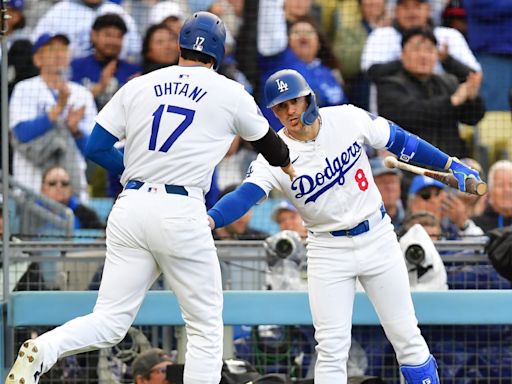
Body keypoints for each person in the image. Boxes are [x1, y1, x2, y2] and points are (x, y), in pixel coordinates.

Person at [5, 12, 294, 384]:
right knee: (206, 326)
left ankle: (42, 350)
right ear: (219, 51)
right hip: (180, 209)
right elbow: (272, 147)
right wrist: (288, 165)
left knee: (108, 321)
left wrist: (137, 172)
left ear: (181, 45)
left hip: (131, 207)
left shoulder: (140, 84)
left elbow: (95, 146)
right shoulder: (229, 90)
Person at [207, 69, 483, 384]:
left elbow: (401, 140)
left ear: (307, 96)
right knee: (332, 347)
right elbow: (245, 196)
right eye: (281, 107)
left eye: (293, 101)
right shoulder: (275, 154)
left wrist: (449, 164)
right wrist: (210, 219)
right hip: (328, 248)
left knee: (406, 335)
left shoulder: (346, 118)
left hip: (377, 235)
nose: (290, 111)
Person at [9, 32, 97, 201]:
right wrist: (58, 109)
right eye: (51, 49)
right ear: (37, 59)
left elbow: (92, 149)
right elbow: (21, 133)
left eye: (63, 49)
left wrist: (75, 131)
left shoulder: (82, 93)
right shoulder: (25, 88)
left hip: (72, 188)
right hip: (31, 185)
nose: (58, 54)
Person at [374, 27, 485, 159]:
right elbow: (411, 115)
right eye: (416, 49)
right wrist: (452, 101)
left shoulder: (448, 82)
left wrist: (472, 99)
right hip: (409, 168)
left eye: (429, 50)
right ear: (402, 55)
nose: (423, 55)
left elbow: (472, 119)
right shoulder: (389, 84)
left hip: (450, 165)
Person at [70, 13, 141, 110]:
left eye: (119, 36)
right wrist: (100, 86)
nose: (114, 41)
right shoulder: (76, 66)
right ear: (94, 35)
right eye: (108, 35)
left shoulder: (134, 71)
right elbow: (69, 102)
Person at [39, 166, 104, 230]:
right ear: (42, 188)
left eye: (64, 183)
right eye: (52, 183)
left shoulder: (85, 214)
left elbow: (102, 235)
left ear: (70, 189)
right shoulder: (32, 211)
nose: (59, 187)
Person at [474, 160, 512, 232]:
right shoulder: (476, 225)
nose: (507, 190)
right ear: (489, 190)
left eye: (511, 184)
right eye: (500, 185)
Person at [369, 156, 405, 231]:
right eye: (382, 182)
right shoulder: (363, 223)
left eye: (392, 181)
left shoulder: (411, 219)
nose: (389, 187)